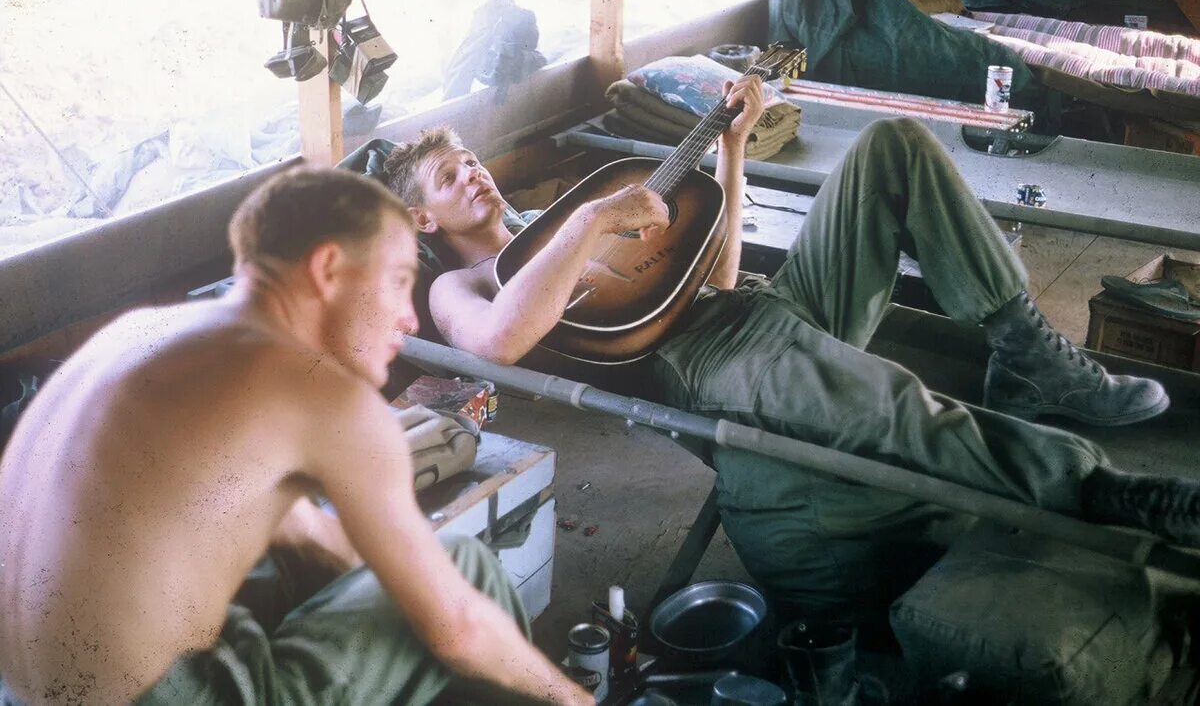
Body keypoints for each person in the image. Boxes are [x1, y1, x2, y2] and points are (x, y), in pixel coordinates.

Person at [380, 75, 1198, 625]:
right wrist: (592, 222)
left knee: (893, 146)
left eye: (474, 163)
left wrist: (731, 151)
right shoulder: (469, 285)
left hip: (759, 305)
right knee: (902, 410)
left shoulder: (554, 219)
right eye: (451, 179)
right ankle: (1108, 491)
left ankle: (1024, 341)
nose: (478, 178)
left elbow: (718, 269)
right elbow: (500, 340)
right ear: (422, 220)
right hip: (706, 366)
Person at [0, 167, 590, 705]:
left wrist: (393, 583)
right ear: (328, 269)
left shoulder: (140, 334)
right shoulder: (320, 390)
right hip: (162, 696)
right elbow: (457, 629)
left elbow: (312, 538)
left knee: (285, 575)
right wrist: (569, 697)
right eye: (398, 280)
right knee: (465, 569)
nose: (409, 318)